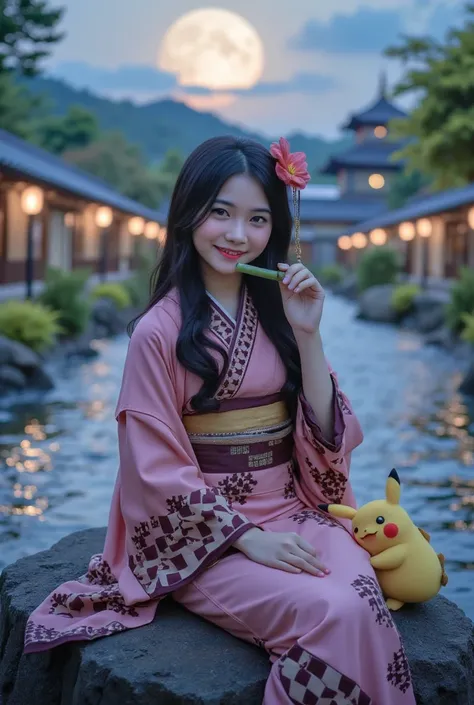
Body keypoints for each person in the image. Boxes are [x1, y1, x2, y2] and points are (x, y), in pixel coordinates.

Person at [24, 136, 416, 705]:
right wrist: (246, 537)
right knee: (331, 608)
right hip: (205, 539)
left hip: (292, 510)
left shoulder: (280, 309)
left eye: (258, 219)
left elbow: (324, 430)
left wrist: (308, 335)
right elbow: (152, 467)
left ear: (274, 229)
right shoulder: (158, 332)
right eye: (221, 213)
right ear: (189, 214)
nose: (238, 235)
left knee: (359, 592)